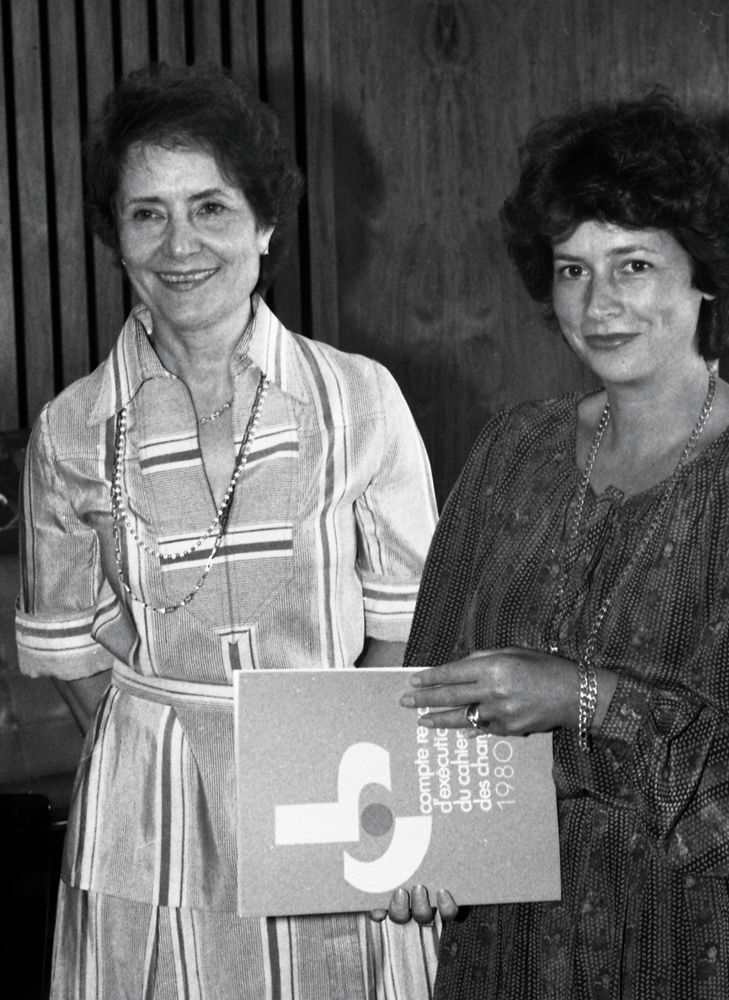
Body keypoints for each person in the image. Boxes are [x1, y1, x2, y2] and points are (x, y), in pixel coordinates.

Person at [399, 93, 729, 998]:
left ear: (706, 275)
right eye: (572, 269)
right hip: (514, 949)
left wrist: (584, 698)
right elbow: (424, 696)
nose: (597, 303)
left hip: (704, 948)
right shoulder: (510, 450)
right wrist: (420, 848)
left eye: (633, 265)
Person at [15, 64, 439, 999]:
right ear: (115, 235)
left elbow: (407, 621)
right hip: (147, 821)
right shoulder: (74, 428)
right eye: (147, 213)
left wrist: (335, 763)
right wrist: (173, 752)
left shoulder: (359, 399)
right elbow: (71, 650)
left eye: (210, 206)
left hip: (337, 795)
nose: (181, 245)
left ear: (265, 223)